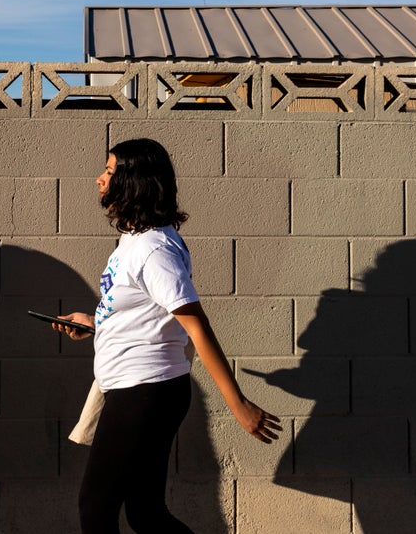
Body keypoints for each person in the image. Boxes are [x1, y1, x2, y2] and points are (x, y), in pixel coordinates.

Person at [55, 138, 281, 534]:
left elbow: (196, 325)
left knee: (96, 507)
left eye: (109, 172)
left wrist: (239, 403)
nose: (99, 180)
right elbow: (149, 313)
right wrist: (93, 322)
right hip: (140, 389)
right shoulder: (135, 241)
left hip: (144, 392)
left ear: (133, 181)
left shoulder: (153, 249)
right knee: (145, 511)